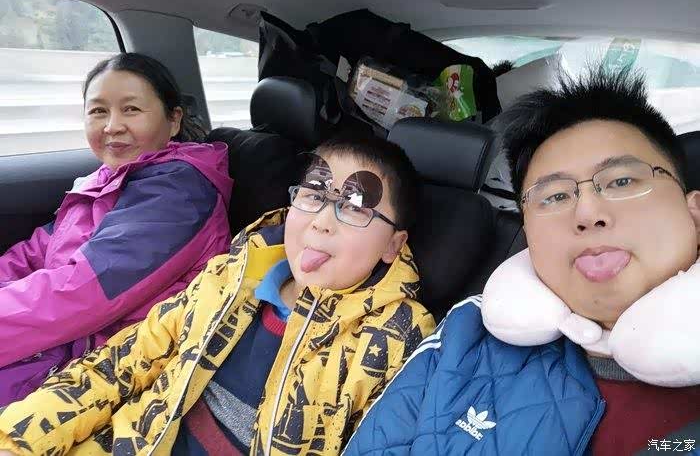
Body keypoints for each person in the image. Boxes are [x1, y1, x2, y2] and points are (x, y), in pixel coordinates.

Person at [0, 134, 435, 456]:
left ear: (394, 244)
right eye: (313, 195)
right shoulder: (231, 276)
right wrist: (17, 439)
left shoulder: (396, 334)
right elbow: (121, 363)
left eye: (355, 207)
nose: (322, 221)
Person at [343, 68, 700, 455]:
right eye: (555, 196)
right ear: (528, 233)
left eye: (621, 181)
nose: (587, 213)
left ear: (694, 212)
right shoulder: (465, 337)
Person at [0, 53, 232, 407]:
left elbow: (80, 294)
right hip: (59, 343)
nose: (112, 126)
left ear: (173, 121)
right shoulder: (106, 179)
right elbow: (35, 253)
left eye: (131, 109)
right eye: (98, 111)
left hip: (105, 367)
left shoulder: (178, 196)